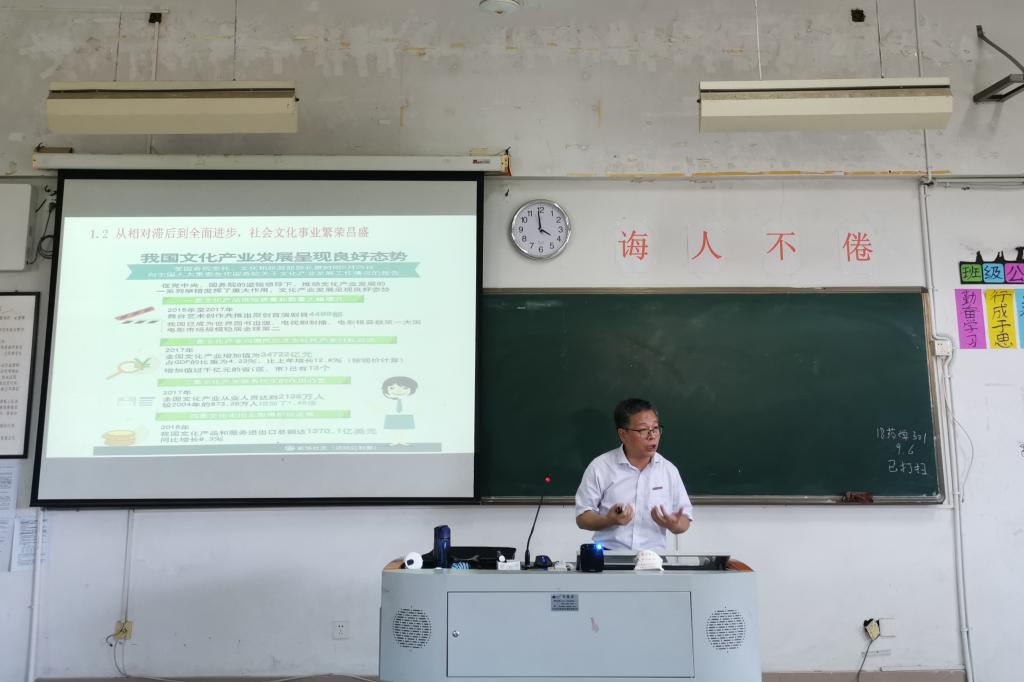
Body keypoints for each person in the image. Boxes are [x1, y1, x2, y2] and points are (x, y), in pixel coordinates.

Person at [574, 398, 693, 551]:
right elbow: (582, 517)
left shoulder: (669, 470)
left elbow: (684, 520)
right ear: (623, 434)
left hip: (654, 559)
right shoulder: (600, 467)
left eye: (655, 428)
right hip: (608, 557)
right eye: (643, 430)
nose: (652, 436)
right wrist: (609, 520)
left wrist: (674, 524)